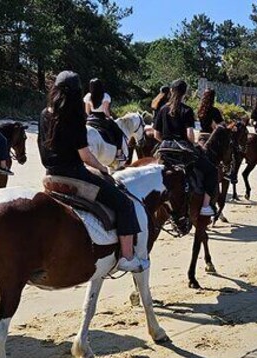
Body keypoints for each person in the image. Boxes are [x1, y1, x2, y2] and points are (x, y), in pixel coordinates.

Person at [38, 71, 147, 273]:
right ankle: (127, 257)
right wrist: (102, 167)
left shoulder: (45, 113)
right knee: (124, 204)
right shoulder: (75, 115)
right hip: (74, 176)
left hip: (49, 174)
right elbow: (85, 155)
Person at [153, 79, 216, 217]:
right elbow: (190, 135)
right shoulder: (187, 110)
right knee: (212, 171)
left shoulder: (163, 109)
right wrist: (193, 143)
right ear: (185, 93)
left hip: (164, 150)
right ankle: (205, 206)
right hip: (182, 150)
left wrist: (166, 140)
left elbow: (157, 135)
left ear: (171, 91)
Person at [84, 78, 126, 162]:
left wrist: (90, 118)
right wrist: (110, 118)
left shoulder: (88, 96)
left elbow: (87, 111)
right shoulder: (105, 96)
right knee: (118, 132)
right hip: (102, 118)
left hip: (90, 118)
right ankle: (119, 154)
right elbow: (105, 111)